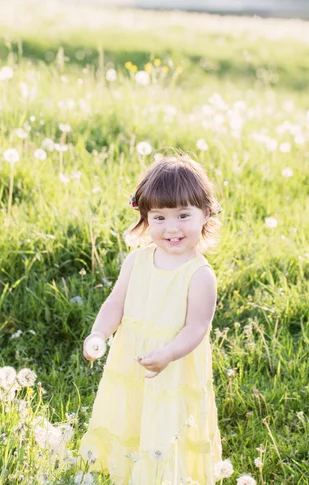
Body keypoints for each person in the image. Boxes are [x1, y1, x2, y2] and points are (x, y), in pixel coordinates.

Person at [78, 153, 225, 484]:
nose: (171, 228)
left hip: (173, 365)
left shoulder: (200, 274)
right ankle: (125, 467)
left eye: (183, 215)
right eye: (159, 218)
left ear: (206, 215)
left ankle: (163, 474)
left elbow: (197, 327)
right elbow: (116, 303)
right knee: (130, 412)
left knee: (166, 420)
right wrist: (98, 333)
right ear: (145, 218)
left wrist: (169, 354)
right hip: (132, 359)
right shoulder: (137, 261)